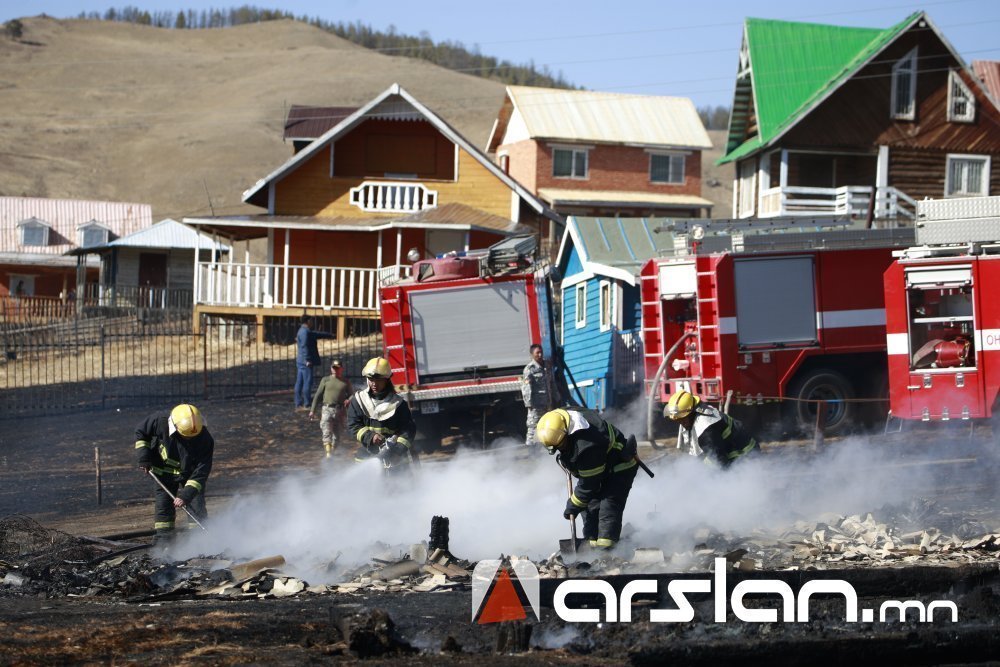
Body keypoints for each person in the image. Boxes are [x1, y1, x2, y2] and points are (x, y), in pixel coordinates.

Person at [535, 408, 639, 550]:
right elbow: (589, 489)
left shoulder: (587, 445)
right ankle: (591, 545)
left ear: (566, 433)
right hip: (600, 467)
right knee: (590, 507)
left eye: (560, 445)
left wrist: (573, 505)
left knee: (608, 506)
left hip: (619, 466)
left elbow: (589, 485)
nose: (559, 450)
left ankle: (607, 551)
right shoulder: (561, 418)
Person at [134, 404, 214, 545]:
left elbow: (202, 471)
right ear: (174, 426)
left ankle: (200, 542)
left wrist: (186, 495)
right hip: (163, 471)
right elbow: (141, 433)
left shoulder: (205, 439)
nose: (189, 440)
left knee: (196, 506)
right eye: (185, 437)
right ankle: (164, 542)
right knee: (163, 508)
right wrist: (144, 458)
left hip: (190, 474)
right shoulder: (160, 421)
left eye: (192, 437)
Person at [347, 356, 417, 473]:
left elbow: (408, 430)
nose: (374, 383)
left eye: (378, 380)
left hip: (395, 461)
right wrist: (370, 437)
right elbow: (353, 425)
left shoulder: (399, 404)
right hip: (367, 456)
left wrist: (398, 450)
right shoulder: (359, 400)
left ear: (386, 380)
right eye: (371, 379)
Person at [663, 390, 759, 468]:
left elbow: (720, 463)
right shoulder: (698, 411)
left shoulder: (705, 430)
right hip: (730, 449)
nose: (681, 423)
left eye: (683, 419)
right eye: (678, 420)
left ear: (691, 412)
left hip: (745, 455)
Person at [310, 359, 352, 459]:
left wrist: (348, 400)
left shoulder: (345, 382)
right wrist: (312, 410)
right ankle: (328, 453)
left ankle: (332, 451)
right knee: (326, 431)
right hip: (327, 409)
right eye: (334, 368)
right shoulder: (325, 380)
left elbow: (351, 395)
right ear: (331, 368)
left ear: (341, 369)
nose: (335, 370)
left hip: (340, 411)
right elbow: (318, 395)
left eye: (337, 368)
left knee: (337, 436)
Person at [522, 344, 559, 448]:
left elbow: (552, 383)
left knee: (548, 426)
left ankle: (544, 448)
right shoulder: (530, 369)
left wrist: (557, 397)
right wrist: (529, 404)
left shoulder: (547, 366)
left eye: (541, 352)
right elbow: (526, 388)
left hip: (548, 404)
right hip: (536, 405)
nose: (540, 354)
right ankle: (531, 449)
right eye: (537, 353)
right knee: (533, 427)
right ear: (532, 354)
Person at [294, 315, 334, 410]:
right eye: (311, 320)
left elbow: (316, 334)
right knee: (307, 382)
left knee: (299, 382)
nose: (312, 322)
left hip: (300, 361)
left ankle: (298, 403)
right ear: (308, 321)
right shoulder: (305, 332)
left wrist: (329, 335)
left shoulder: (303, 331)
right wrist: (307, 359)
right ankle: (307, 404)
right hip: (305, 362)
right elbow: (304, 346)